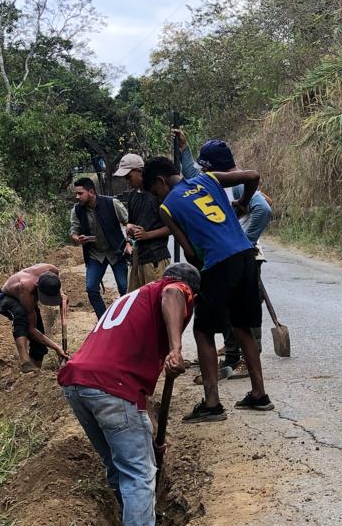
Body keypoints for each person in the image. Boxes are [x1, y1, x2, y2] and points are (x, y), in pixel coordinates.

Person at [57, 262, 202, 526]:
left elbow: (139, 394)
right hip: (111, 388)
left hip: (78, 384)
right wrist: (176, 349)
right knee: (138, 472)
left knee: (117, 463)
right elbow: (176, 293)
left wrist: (152, 432)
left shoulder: (133, 300)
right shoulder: (172, 291)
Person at [153, 142, 275, 421]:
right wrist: (243, 203)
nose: (156, 196)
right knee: (243, 326)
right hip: (246, 254)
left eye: (154, 190)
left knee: (203, 331)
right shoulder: (208, 179)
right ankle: (259, 394)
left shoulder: (167, 207)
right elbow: (253, 176)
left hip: (218, 264)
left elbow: (190, 252)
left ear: (160, 182)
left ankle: (212, 404)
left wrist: (201, 276)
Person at [177, 131, 272, 379]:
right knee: (234, 311)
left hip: (241, 252)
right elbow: (192, 178)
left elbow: (263, 209)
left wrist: (245, 241)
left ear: (214, 167)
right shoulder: (214, 180)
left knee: (246, 311)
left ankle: (246, 359)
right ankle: (233, 356)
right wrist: (184, 149)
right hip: (232, 253)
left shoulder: (237, 182)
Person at [70, 176, 129, 317]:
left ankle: (125, 317)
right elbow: (73, 232)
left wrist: (128, 243)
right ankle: (103, 319)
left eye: (80, 193)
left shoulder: (112, 203)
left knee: (124, 288)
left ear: (91, 192)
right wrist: (79, 239)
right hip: (95, 254)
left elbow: (129, 223)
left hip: (116, 252)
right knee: (91, 288)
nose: (77, 197)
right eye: (76, 194)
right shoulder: (77, 210)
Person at [0, 264, 70, 372]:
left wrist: (61, 295)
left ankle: (35, 373)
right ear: (38, 287)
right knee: (21, 316)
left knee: (40, 339)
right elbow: (31, 329)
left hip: (28, 298)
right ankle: (25, 362)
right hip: (5, 298)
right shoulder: (25, 288)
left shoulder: (52, 270)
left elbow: (57, 287)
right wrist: (57, 348)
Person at [116, 155, 172, 290]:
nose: (127, 181)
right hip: (137, 258)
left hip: (155, 258)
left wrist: (148, 235)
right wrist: (129, 234)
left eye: (129, 176)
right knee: (135, 299)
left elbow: (172, 227)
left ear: (139, 171)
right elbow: (131, 222)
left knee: (155, 299)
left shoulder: (158, 193)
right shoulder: (133, 196)